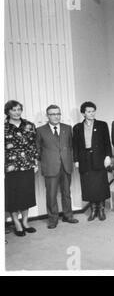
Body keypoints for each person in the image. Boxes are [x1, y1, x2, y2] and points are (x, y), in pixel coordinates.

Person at [37, 105, 79, 229]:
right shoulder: (40, 130)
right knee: (51, 194)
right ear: (47, 116)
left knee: (66, 192)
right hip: (50, 167)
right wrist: (47, 160)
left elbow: (71, 146)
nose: (56, 116)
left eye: (58, 114)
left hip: (66, 165)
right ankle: (53, 219)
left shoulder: (67, 128)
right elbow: (38, 149)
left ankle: (68, 216)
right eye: (52, 114)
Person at [73, 102, 112, 221]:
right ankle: (93, 209)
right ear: (83, 113)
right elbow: (75, 145)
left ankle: (101, 209)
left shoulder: (102, 125)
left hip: (99, 158)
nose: (92, 113)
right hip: (84, 159)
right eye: (89, 111)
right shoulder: (77, 127)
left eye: (93, 111)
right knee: (88, 185)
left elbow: (107, 142)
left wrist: (108, 156)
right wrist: (76, 160)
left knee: (100, 184)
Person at [4, 100, 38, 236]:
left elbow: (34, 145)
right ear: (8, 112)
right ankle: (16, 223)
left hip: (28, 165)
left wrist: (35, 163)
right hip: (10, 168)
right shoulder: (4, 127)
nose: (17, 112)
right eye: (13, 110)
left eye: (19, 109)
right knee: (13, 197)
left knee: (26, 195)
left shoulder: (29, 125)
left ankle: (25, 222)